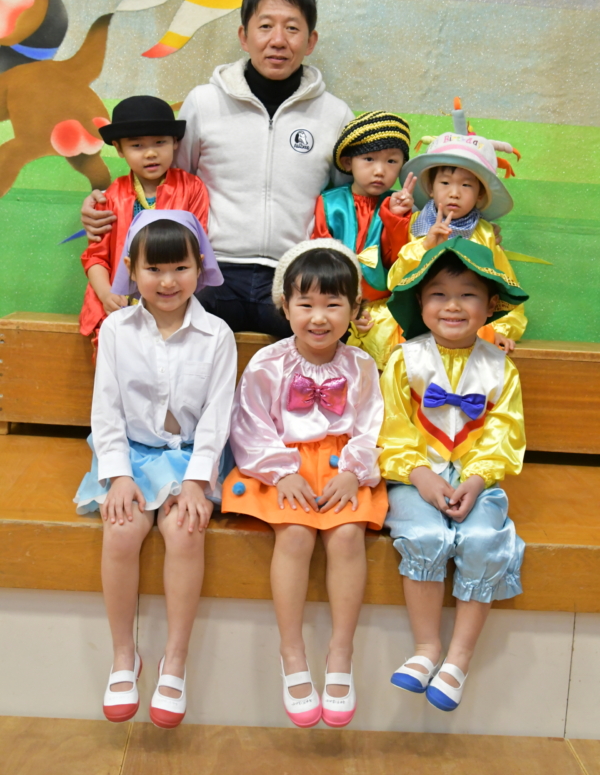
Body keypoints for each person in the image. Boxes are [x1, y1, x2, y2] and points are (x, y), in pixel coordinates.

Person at [80, 0, 354, 337]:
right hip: (211, 271)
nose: (278, 40)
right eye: (265, 26)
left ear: (311, 40)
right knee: (164, 335)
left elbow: (349, 198)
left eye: (292, 28)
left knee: (327, 340)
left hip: (295, 274)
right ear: (243, 36)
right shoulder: (204, 103)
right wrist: (102, 207)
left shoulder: (335, 115)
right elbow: (165, 182)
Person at [75, 211, 236, 728]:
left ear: (199, 267)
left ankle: (175, 661)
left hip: (191, 458)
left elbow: (217, 416)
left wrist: (196, 480)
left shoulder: (217, 335)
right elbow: (105, 410)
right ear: (131, 269)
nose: (168, 281)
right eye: (154, 269)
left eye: (180, 268)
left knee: (185, 530)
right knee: (121, 529)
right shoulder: (116, 329)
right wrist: (119, 474)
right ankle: (125, 656)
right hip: (130, 454)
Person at [221, 240, 387, 728]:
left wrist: (353, 471)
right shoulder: (268, 363)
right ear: (284, 305)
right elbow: (249, 423)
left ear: (354, 308)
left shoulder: (360, 366)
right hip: (281, 463)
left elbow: (372, 425)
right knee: (294, 534)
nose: (319, 317)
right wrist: (282, 470)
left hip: (342, 466)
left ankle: (340, 652)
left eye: (333, 304)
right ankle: (291, 652)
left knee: (347, 534)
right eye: (306, 304)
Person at [379, 237, 529, 711]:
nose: (453, 305)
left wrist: (478, 479)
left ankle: (459, 659)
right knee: (425, 535)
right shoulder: (404, 361)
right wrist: (420, 474)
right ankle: (427, 648)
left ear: (490, 305)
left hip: (476, 480)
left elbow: (503, 434)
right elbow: (392, 428)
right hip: (414, 477)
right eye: (438, 294)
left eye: (468, 295)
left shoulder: (501, 369)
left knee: (483, 538)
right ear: (420, 303)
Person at [388, 109, 526, 354]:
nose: (454, 193)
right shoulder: (413, 224)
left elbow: (505, 282)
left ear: (480, 194)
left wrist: (502, 328)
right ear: (430, 188)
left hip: (465, 325)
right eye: (445, 183)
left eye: (466, 185)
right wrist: (425, 246)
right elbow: (394, 281)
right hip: (418, 321)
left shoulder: (484, 233)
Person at [79, 96, 209, 353]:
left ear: (175, 142)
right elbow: (95, 257)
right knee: (121, 364)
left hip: (174, 299)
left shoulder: (192, 189)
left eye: (160, 142)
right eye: (137, 145)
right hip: (121, 305)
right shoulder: (109, 198)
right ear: (119, 149)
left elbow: (197, 249)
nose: (150, 153)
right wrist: (106, 294)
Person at [312, 111, 415, 369]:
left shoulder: (398, 206)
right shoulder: (330, 203)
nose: (380, 170)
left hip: (383, 307)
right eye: (369, 159)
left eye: (392, 161)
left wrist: (396, 218)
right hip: (336, 302)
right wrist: (347, 309)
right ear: (348, 162)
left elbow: (398, 261)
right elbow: (320, 260)